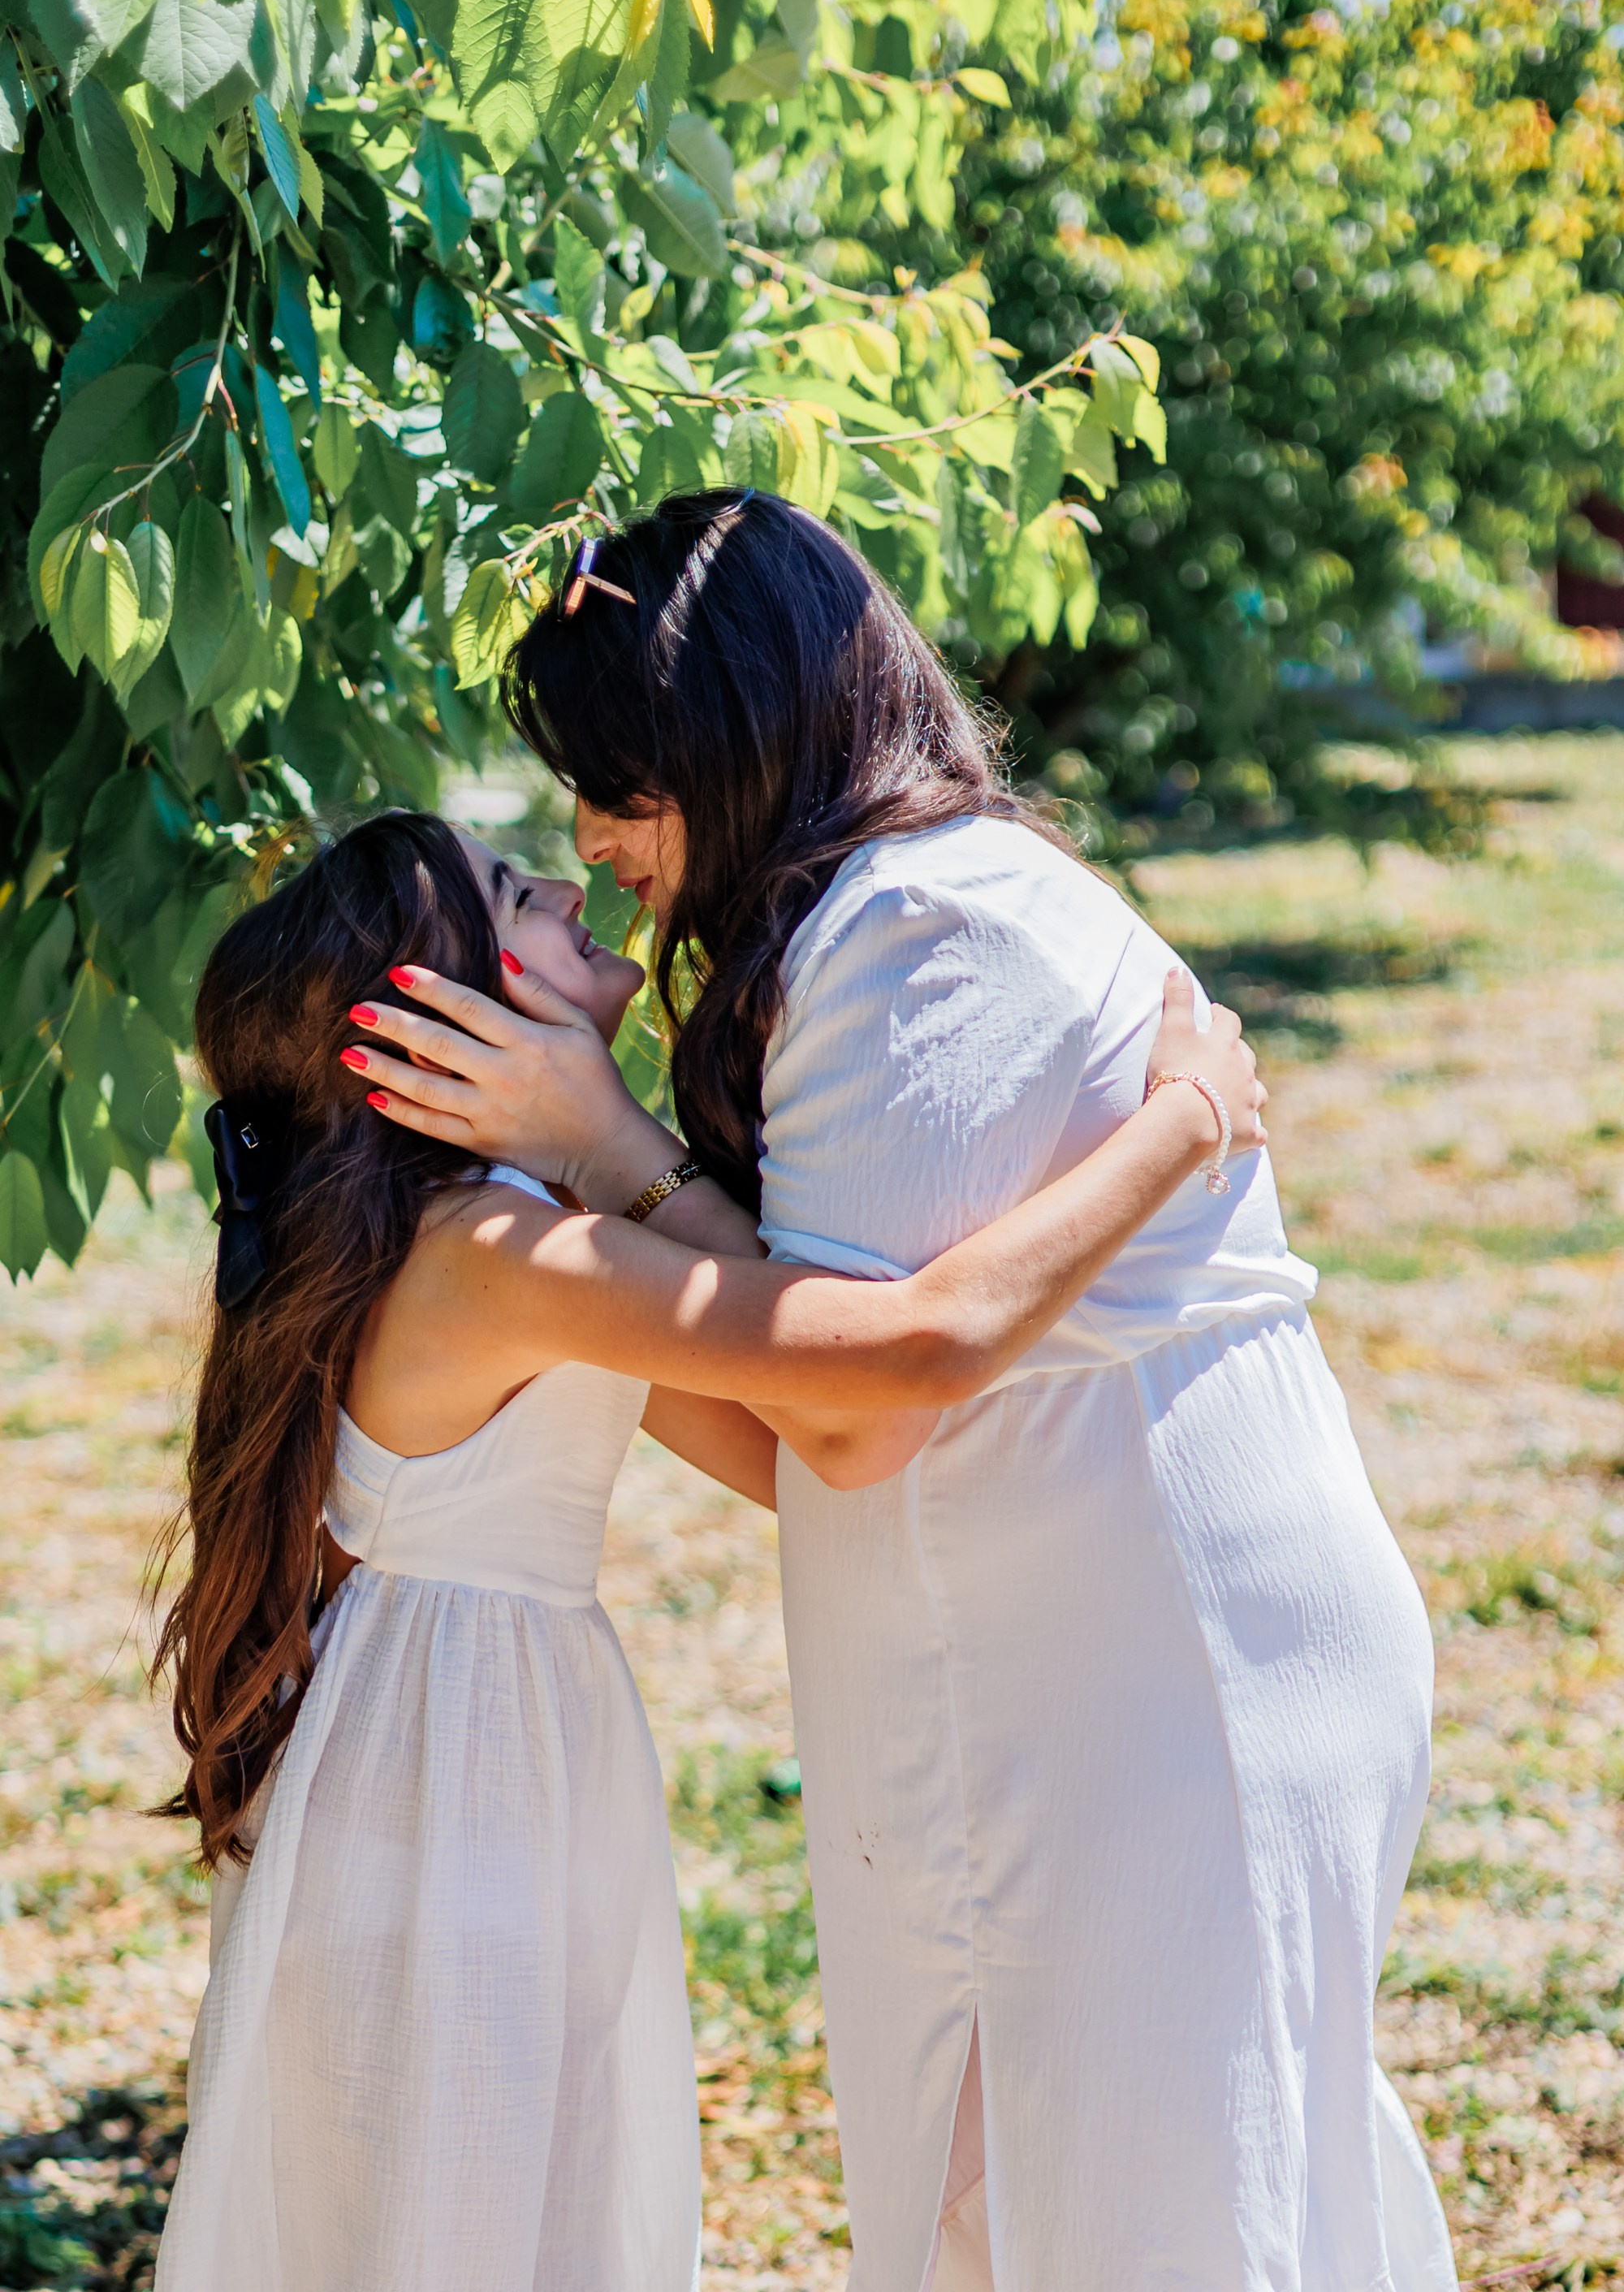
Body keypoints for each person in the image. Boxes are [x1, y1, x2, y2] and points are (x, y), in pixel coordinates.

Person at [362, 491, 1459, 2292]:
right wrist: (572, 1240)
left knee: (1151, 2215)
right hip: (1045, 1654)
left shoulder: (917, 926)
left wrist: (607, 1148)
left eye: (620, 783)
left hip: (1149, 1663)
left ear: (737, 740)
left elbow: (865, 1405)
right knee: (1038, 2208)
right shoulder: (856, 933)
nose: (593, 838)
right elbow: (797, 1410)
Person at [151, 807, 1267, 2292]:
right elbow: (902, 1350)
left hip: (471, 1761)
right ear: (442, 1021)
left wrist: (611, 1152)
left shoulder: (508, 1236)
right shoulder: (495, 1258)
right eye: (509, 894)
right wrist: (1180, 1124)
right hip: (452, 1780)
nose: (560, 881)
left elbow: (790, 1449)